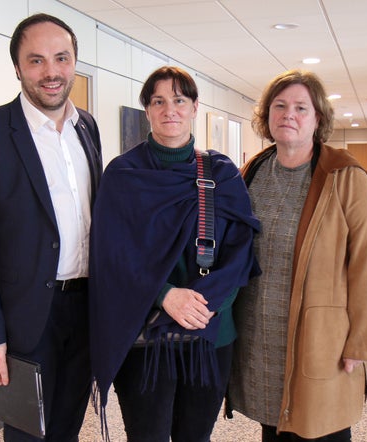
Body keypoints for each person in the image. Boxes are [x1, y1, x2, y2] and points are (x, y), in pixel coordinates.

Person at [89, 66, 260, 442]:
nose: (170, 110)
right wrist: (165, 294)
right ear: (147, 110)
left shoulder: (222, 173)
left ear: (195, 107)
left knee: (195, 436)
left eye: (179, 100)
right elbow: (112, 255)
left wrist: (204, 304)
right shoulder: (123, 174)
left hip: (208, 331)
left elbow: (241, 253)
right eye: (159, 101)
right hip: (144, 332)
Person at [0, 13, 102, 441]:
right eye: (36, 60)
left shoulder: (86, 127)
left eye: (61, 58)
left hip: (85, 308)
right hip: (26, 318)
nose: (51, 72)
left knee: (67, 428)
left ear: (74, 62)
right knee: (26, 434)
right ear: (17, 68)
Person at [226, 69, 367, 441]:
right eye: (280, 106)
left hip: (320, 337)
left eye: (301, 107)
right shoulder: (253, 171)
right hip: (260, 335)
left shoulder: (345, 177)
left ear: (318, 119)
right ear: (267, 115)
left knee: (321, 426)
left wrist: (361, 342)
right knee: (273, 425)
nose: (289, 114)